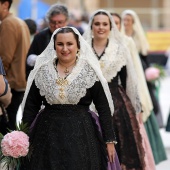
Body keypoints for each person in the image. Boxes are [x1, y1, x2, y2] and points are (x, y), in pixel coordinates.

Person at [21, 27, 121, 170]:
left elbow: (103, 107)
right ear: (54, 46)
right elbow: (31, 106)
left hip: (82, 135)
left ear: (78, 45)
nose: (65, 48)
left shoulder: (89, 71)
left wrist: (109, 140)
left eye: (70, 44)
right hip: (47, 134)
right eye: (60, 44)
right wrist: (23, 136)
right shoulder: (42, 71)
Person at [83, 9, 150, 170]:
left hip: (116, 105)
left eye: (105, 24)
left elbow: (129, 80)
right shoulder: (82, 49)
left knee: (120, 151)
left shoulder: (120, 49)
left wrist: (135, 106)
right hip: (88, 103)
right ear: (91, 26)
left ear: (110, 27)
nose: (101, 27)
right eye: (97, 24)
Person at [121, 9, 167, 164]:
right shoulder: (119, 38)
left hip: (140, 79)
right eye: (124, 19)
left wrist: (149, 73)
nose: (126, 22)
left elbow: (145, 60)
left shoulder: (138, 38)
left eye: (129, 20)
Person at [0, 0, 30, 133]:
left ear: (5, 4)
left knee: (6, 130)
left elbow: (4, 58)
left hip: (10, 85)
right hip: (19, 82)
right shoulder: (19, 21)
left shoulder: (8, 23)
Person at [26, 3, 69, 79]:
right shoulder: (39, 37)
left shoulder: (75, 36)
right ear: (48, 22)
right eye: (53, 22)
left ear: (66, 21)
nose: (56, 26)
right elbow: (29, 63)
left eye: (60, 22)